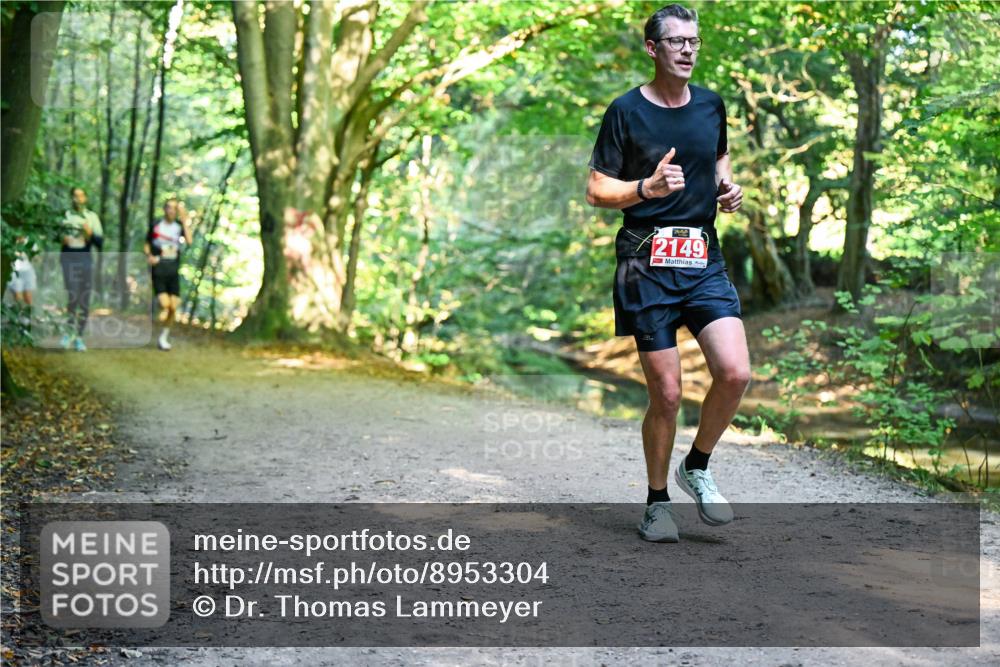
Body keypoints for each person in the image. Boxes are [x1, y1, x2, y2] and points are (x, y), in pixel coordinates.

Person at [585, 4, 749, 542]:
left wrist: (727, 188)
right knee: (670, 394)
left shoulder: (711, 105)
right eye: (676, 42)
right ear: (653, 49)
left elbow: (719, 159)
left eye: (694, 42)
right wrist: (644, 190)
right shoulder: (625, 112)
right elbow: (596, 190)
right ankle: (657, 503)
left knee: (734, 373)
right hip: (644, 263)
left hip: (702, 256)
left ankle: (696, 466)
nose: (687, 50)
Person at [144, 199, 191, 351]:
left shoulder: (179, 226)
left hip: (173, 270)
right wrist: (149, 255)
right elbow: (146, 244)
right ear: (164, 209)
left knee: (173, 307)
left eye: (175, 208)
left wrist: (185, 220)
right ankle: (157, 310)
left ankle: (163, 337)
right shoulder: (156, 224)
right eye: (169, 207)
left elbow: (189, 241)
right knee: (165, 304)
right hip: (159, 269)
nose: (172, 211)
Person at [60, 187, 103, 351]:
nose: (78, 199)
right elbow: (54, 235)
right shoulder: (65, 216)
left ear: (85, 198)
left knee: (84, 299)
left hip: (85, 260)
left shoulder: (92, 217)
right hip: (68, 259)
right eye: (75, 196)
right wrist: (62, 238)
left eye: (81, 195)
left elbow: (100, 243)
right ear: (72, 198)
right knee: (72, 295)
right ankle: (68, 332)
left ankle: (79, 337)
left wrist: (89, 233)